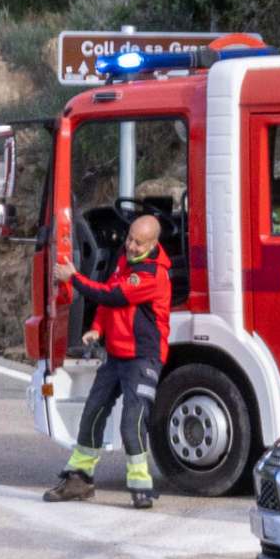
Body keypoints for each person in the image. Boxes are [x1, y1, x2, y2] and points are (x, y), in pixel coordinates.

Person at [43, 214, 172, 509]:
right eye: (129, 238)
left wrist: (73, 278)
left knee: (132, 422)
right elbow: (110, 299)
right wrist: (97, 328)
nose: (130, 245)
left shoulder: (152, 274)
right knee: (93, 412)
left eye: (138, 242)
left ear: (153, 243)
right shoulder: (126, 262)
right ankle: (79, 479)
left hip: (143, 358)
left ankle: (141, 487)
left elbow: (114, 295)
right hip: (116, 355)